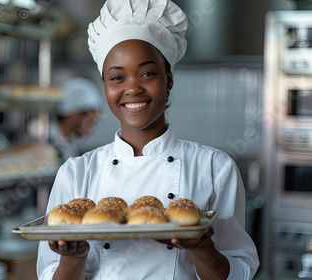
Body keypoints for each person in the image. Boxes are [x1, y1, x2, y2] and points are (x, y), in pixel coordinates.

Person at [36, 0, 260, 279]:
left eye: (147, 73)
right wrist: (73, 258)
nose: (132, 88)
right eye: (117, 77)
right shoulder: (75, 172)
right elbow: (48, 272)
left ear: (168, 78)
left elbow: (240, 272)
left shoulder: (215, 167)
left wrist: (201, 247)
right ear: (104, 86)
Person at [49, 76, 103, 162]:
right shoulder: (45, 141)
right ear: (75, 114)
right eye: (91, 122)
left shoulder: (70, 145)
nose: (91, 129)